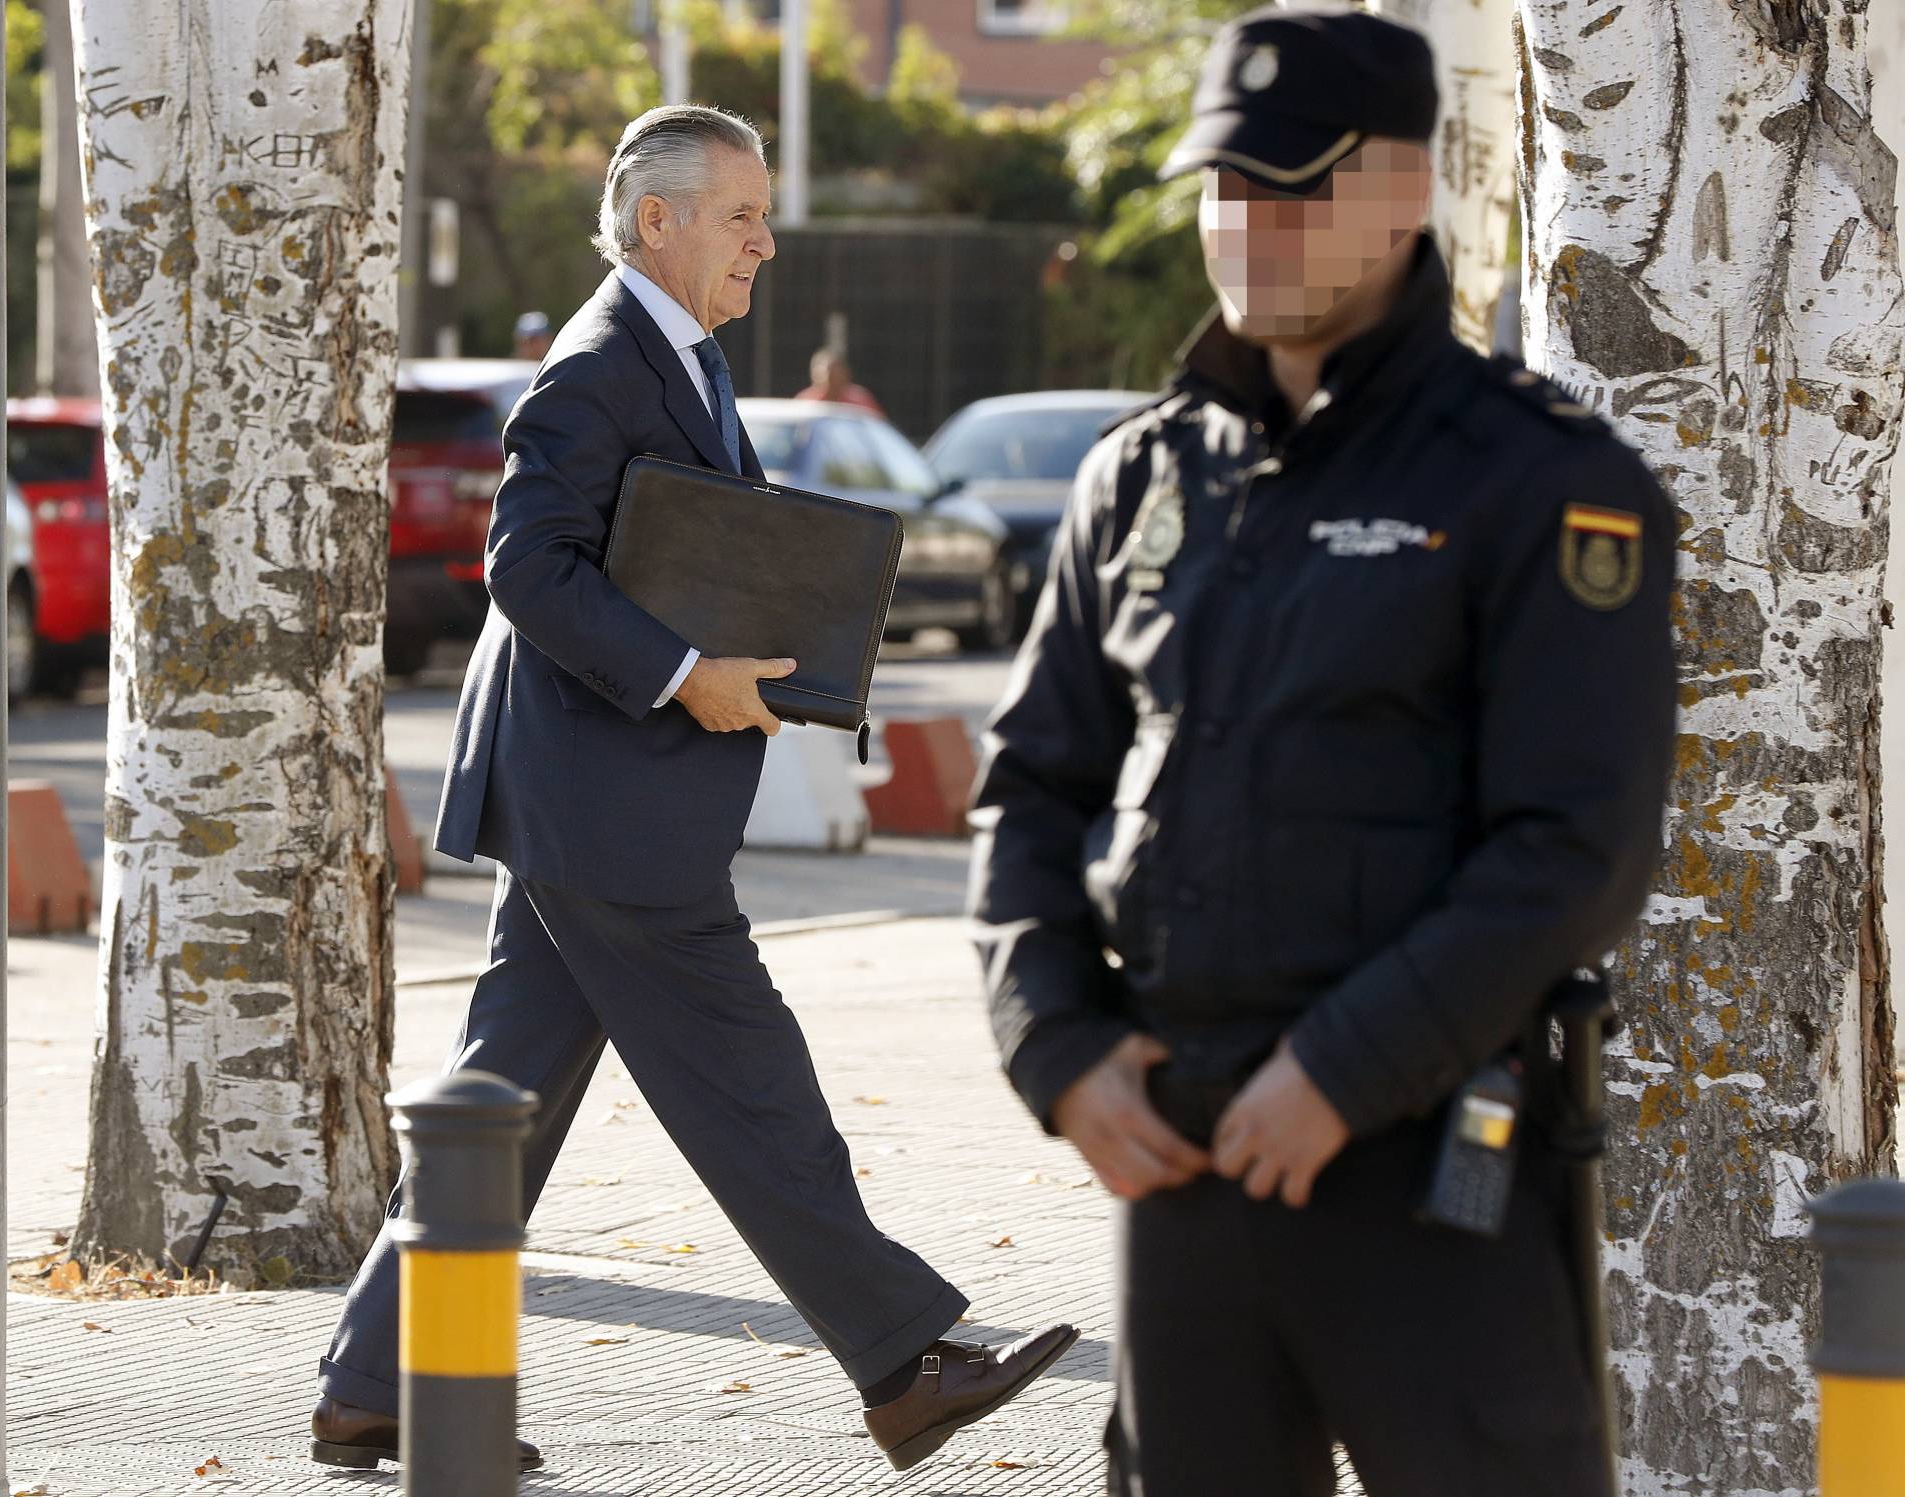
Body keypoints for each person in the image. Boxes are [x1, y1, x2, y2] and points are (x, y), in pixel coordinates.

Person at [967, 10, 1675, 1496]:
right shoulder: (1139, 478)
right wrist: (1059, 1043)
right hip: (1183, 1164)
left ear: (1409, 186)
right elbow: (1031, 790)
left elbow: (1577, 843)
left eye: (1299, 187)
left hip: (1428, 1163)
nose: (1252, 225)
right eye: (1230, 184)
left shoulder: (1540, 482)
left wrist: (1343, 1073)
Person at [311, 104, 1075, 1476]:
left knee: (505, 1099)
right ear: (654, 220)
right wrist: (684, 676)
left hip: (588, 804)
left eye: (764, 216)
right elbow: (525, 568)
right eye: (742, 215)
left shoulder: (683, 359)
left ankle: (375, 1386)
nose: (766, 244)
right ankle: (904, 1363)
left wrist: (808, 658)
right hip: (605, 812)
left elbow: (693, 545)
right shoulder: (599, 365)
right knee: (751, 1082)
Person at [795, 346, 883, 414]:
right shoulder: (806, 403)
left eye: (834, 374)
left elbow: (878, 428)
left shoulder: (859, 401)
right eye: (827, 374)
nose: (830, 380)